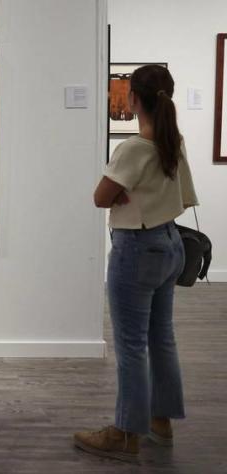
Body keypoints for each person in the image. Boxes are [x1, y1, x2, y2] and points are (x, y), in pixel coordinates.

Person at [75, 65, 198, 462]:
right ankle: (161, 424)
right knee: (162, 338)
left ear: (134, 99)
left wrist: (122, 194)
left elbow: (100, 196)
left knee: (130, 345)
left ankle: (125, 433)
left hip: (137, 248)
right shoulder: (171, 141)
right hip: (170, 242)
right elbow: (182, 195)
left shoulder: (133, 147)